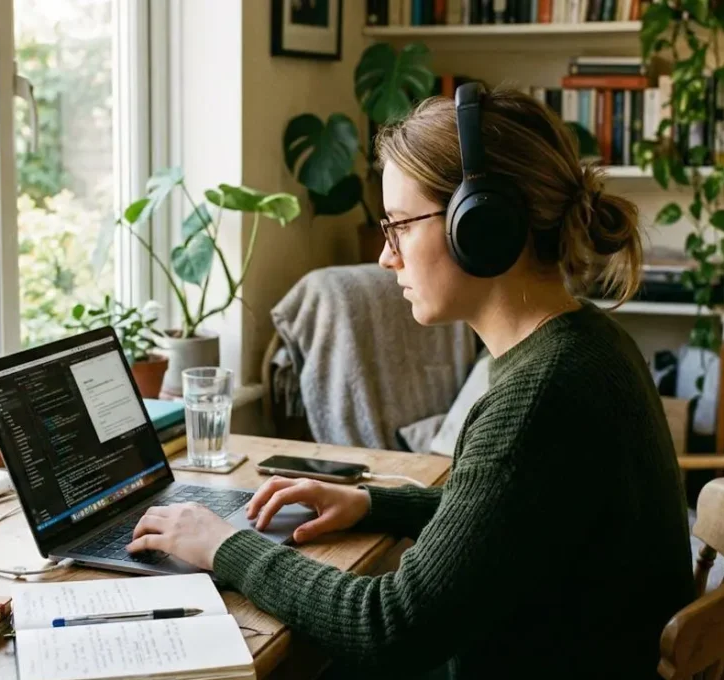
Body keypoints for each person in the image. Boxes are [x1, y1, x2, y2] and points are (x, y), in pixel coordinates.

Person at [126, 84, 695, 678]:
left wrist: (223, 545)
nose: (385, 256)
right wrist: (373, 503)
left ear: (480, 226)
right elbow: (513, 512)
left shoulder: (541, 396)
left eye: (398, 225)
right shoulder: (590, 346)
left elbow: (390, 628)